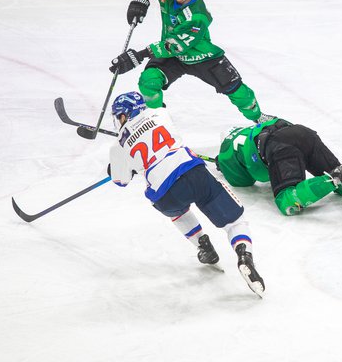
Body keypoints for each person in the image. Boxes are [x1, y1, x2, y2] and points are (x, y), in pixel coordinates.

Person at [108, 91, 265, 297]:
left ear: (123, 116)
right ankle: (244, 256)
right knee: (235, 221)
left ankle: (203, 246)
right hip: (192, 172)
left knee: (177, 211)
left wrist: (120, 167)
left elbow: (121, 181)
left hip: (165, 194)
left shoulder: (118, 145)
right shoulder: (159, 113)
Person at [108, 0, 271, 123]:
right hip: (174, 57)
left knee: (236, 89)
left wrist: (139, 55)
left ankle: (259, 119)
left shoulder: (197, 17)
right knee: (148, 81)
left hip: (200, 56)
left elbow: (173, 46)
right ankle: (159, 122)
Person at [215, 118, 342, 216]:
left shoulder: (226, 150)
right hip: (303, 133)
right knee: (336, 173)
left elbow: (246, 181)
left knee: (286, 201)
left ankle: (334, 180)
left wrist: (223, 165)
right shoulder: (251, 129)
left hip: (279, 145)